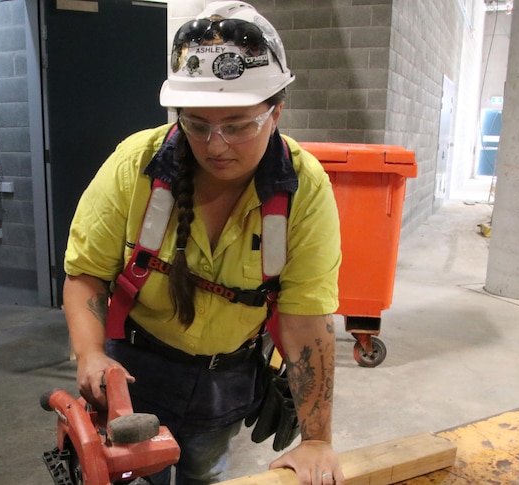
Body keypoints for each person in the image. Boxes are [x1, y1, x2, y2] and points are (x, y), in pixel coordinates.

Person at [62, 2, 343, 483]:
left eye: (238, 125)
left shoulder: (304, 189)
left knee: (204, 473)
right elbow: (86, 273)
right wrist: (90, 354)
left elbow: (305, 321)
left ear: (276, 111)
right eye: (197, 124)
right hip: (131, 372)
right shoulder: (137, 166)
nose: (216, 145)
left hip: (226, 380)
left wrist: (317, 440)